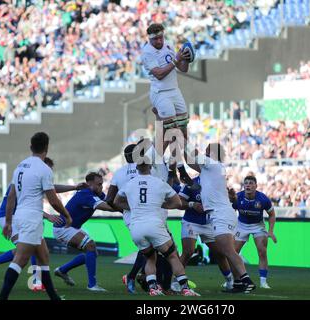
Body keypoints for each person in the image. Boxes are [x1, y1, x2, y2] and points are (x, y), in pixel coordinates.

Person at [0, 157, 86, 291]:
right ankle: (33, 282)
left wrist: (74, 187)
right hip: (11, 216)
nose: (49, 172)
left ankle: (34, 281)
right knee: (27, 249)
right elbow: (29, 205)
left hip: (15, 217)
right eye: (48, 169)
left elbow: (51, 188)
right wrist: (47, 215)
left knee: (30, 248)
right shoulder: (31, 179)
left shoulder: (29, 177)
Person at [0, 132, 72, 300]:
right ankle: (1, 298)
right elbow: (53, 200)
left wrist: (9, 222)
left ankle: (54, 297)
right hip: (32, 219)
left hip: (23, 216)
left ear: (31, 147)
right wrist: (66, 215)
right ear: (46, 148)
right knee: (20, 260)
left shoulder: (20, 166)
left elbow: (11, 196)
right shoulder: (44, 169)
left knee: (44, 256)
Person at [113, 157, 200, 297]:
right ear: (151, 167)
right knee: (172, 256)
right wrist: (163, 205)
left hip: (136, 227)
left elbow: (116, 201)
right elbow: (177, 203)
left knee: (150, 258)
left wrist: (133, 208)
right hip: (154, 224)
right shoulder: (159, 182)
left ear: (137, 168)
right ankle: (185, 288)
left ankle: (153, 288)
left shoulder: (130, 184)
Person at [187, 143, 256, 293]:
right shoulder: (213, 168)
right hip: (222, 213)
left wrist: (182, 138)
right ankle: (238, 282)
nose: (204, 153)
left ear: (212, 153)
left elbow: (191, 155)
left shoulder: (211, 164)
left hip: (220, 214)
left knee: (228, 250)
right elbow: (190, 161)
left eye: (207, 151)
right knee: (227, 251)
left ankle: (246, 280)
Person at [141, 23, 196, 188]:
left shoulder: (169, 46)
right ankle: (178, 169)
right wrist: (176, 59)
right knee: (172, 131)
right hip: (161, 93)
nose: (159, 40)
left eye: (161, 37)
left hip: (175, 91)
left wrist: (186, 58)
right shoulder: (147, 52)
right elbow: (159, 74)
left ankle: (172, 166)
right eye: (155, 38)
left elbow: (183, 69)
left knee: (183, 132)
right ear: (150, 38)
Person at [53, 172, 117, 292]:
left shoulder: (96, 193)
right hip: (63, 228)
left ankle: (62, 270)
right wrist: (126, 207)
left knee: (92, 253)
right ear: (89, 184)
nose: (101, 187)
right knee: (90, 246)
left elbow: (109, 201)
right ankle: (92, 285)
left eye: (102, 184)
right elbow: (107, 207)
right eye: (99, 184)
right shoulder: (85, 194)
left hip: (71, 227)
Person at [178, 176, 234, 290]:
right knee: (188, 252)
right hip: (191, 222)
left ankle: (230, 281)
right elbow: (179, 201)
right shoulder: (192, 182)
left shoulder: (217, 182)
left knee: (220, 253)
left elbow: (227, 200)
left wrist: (232, 198)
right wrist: (192, 204)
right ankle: (175, 282)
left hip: (209, 223)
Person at [229, 175, 277, 289]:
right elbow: (230, 211)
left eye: (251, 183)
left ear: (256, 186)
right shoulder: (238, 197)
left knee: (262, 252)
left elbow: (272, 215)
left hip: (258, 226)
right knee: (233, 253)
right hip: (241, 225)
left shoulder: (263, 199)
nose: (248, 185)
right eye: (246, 183)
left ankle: (263, 282)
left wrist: (270, 231)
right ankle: (233, 281)